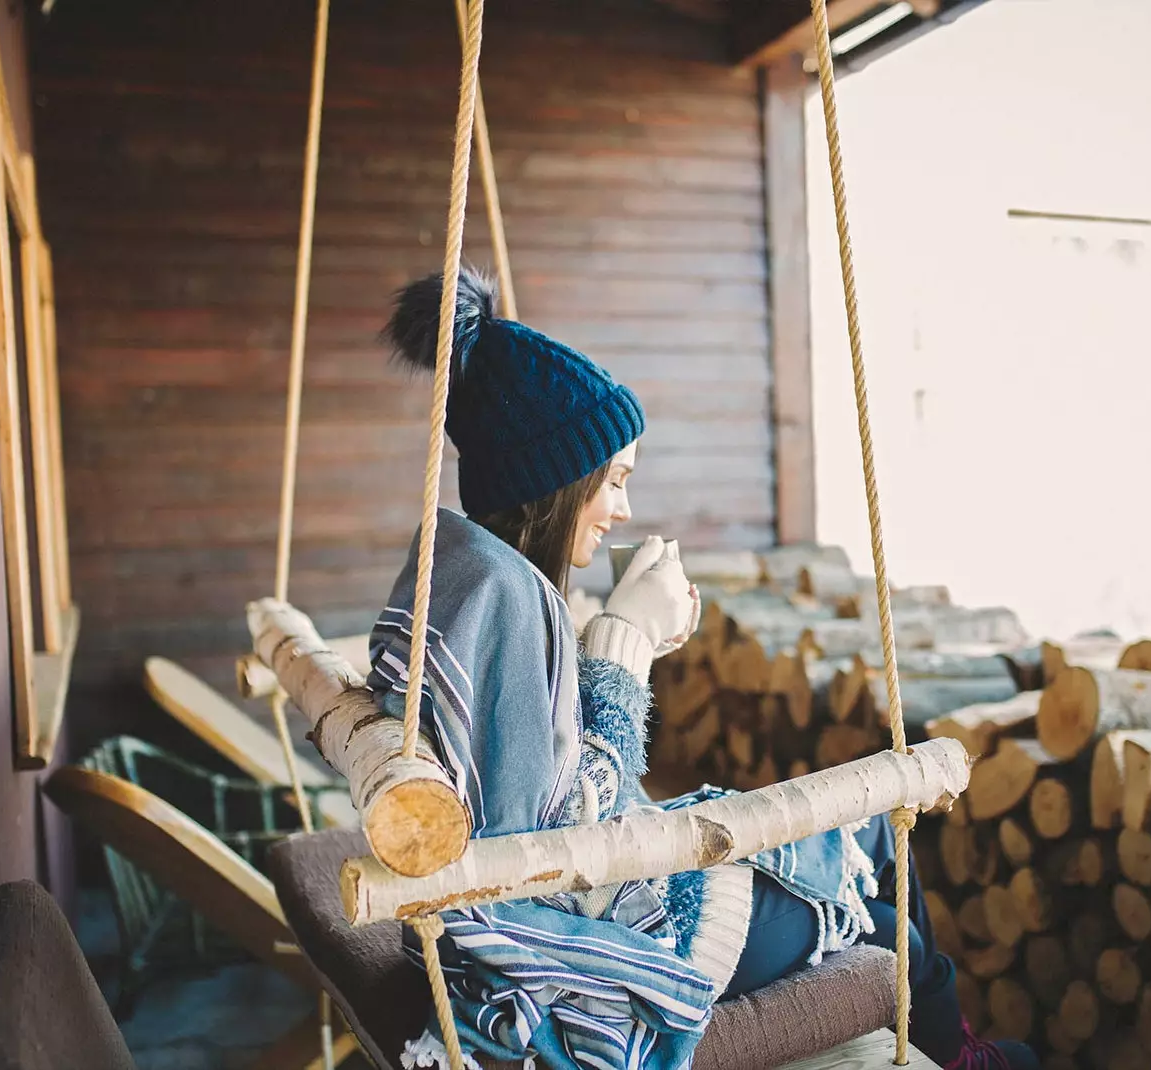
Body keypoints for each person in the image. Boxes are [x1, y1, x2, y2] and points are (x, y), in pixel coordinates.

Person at [369, 267, 1036, 1070]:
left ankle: (960, 1052)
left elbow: (533, 777)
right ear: (552, 482)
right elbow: (572, 838)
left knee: (869, 853)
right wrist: (627, 642)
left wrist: (623, 641)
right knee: (880, 887)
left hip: (578, 907)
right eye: (612, 481)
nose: (620, 508)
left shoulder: (473, 577)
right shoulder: (507, 600)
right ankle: (964, 1059)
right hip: (622, 942)